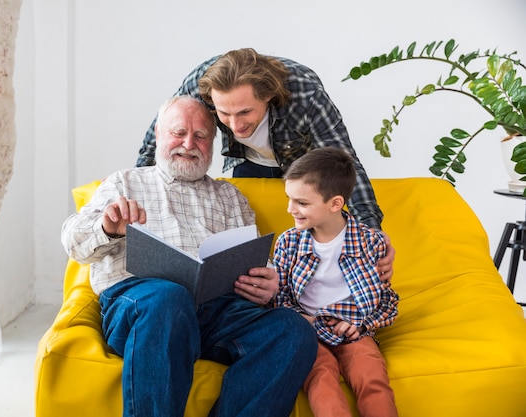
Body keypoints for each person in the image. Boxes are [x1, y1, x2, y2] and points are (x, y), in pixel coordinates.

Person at [61, 95, 318, 417]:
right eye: (178, 132)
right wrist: (107, 227)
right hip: (145, 308)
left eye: (200, 136)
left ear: (212, 143)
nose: (188, 143)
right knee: (168, 297)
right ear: (158, 134)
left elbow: (252, 259)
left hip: (218, 312)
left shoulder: (230, 196)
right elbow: (73, 241)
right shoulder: (125, 182)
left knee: (292, 330)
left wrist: (266, 284)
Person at [137, 47, 395, 281]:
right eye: (224, 113)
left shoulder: (306, 93)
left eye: (245, 112)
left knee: (312, 236)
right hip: (249, 164)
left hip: (302, 166)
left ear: (268, 96)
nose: (236, 126)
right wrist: (136, 185)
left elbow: (344, 161)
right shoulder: (200, 83)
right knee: (247, 241)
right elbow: (159, 133)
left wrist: (372, 231)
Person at [273, 147, 399, 417]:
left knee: (371, 377)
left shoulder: (370, 243)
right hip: (308, 331)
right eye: (289, 199)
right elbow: (280, 297)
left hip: (353, 329)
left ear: (335, 203)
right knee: (321, 379)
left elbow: (386, 300)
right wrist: (302, 319)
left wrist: (362, 324)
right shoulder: (288, 242)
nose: (290, 209)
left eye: (302, 203)